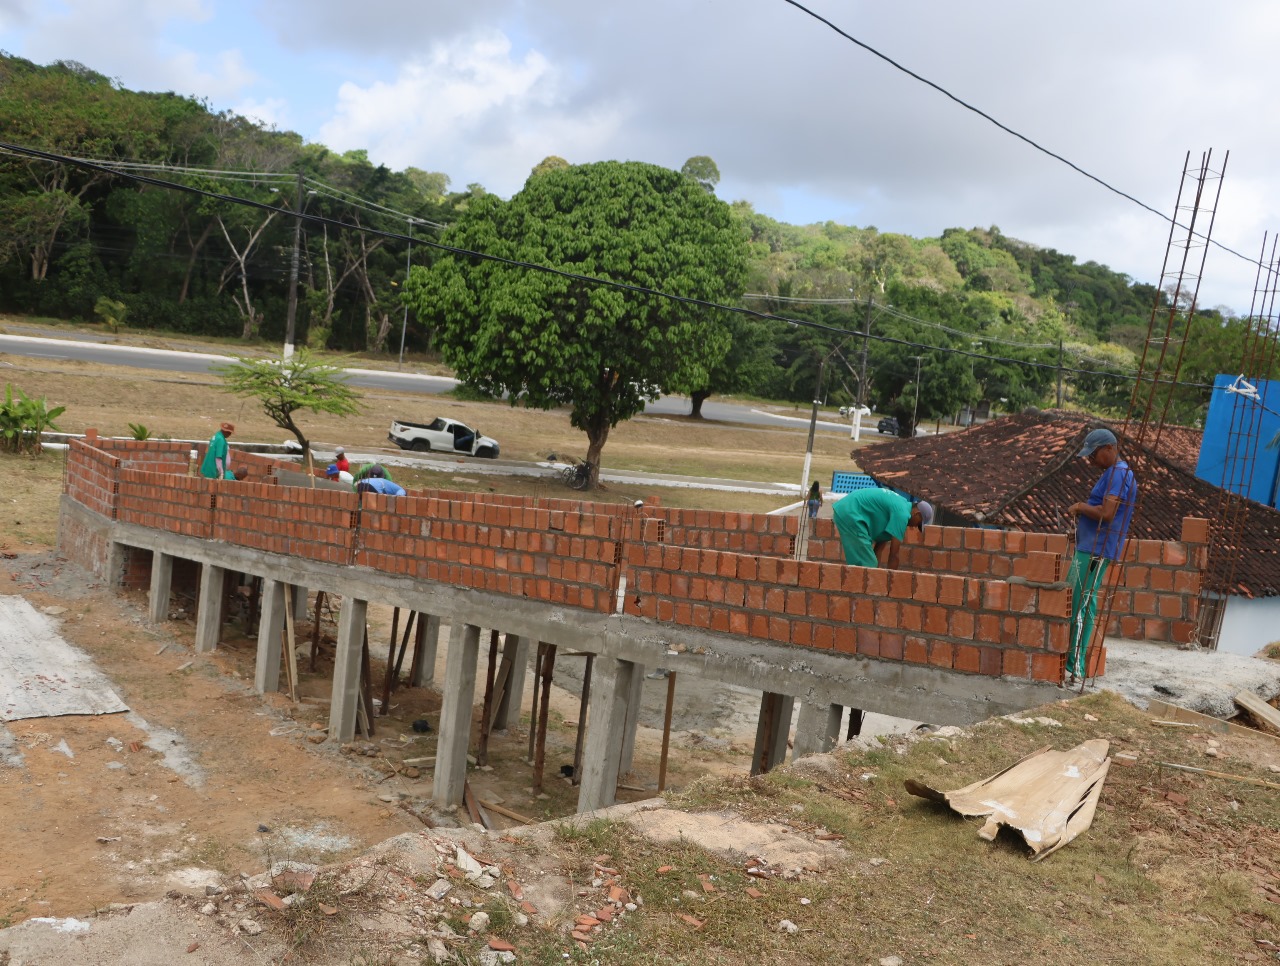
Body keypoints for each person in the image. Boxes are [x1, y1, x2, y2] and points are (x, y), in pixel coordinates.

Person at [1066, 427, 1137, 681]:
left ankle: (1074, 666)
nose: (1091, 460)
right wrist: (1081, 531)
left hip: (1096, 551)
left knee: (1081, 605)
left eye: (1093, 454)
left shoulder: (1119, 473)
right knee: (1077, 602)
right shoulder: (1113, 473)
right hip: (1090, 546)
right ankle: (1072, 663)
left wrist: (1080, 507)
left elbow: (1107, 514)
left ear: (1109, 448)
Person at [831, 486, 933, 569]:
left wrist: (879, 575)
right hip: (851, 512)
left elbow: (878, 550)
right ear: (917, 514)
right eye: (918, 523)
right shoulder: (902, 515)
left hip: (850, 510)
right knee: (867, 564)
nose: (914, 527)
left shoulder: (899, 509)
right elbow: (894, 555)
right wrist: (890, 582)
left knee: (869, 565)